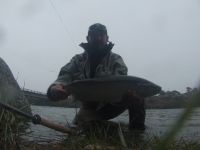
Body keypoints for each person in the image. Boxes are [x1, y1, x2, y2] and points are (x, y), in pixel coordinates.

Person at [47, 23, 145, 130]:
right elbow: (65, 75)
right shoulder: (77, 60)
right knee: (81, 128)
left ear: (107, 38)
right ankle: (111, 128)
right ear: (88, 38)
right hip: (89, 107)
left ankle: (137, 132)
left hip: (113, 105)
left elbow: (121, 79)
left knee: (138, 95)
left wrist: (125, 95)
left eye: (101, 35)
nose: (98, 38)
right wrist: (54, 89)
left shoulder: (116, 59)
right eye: (93, 35)